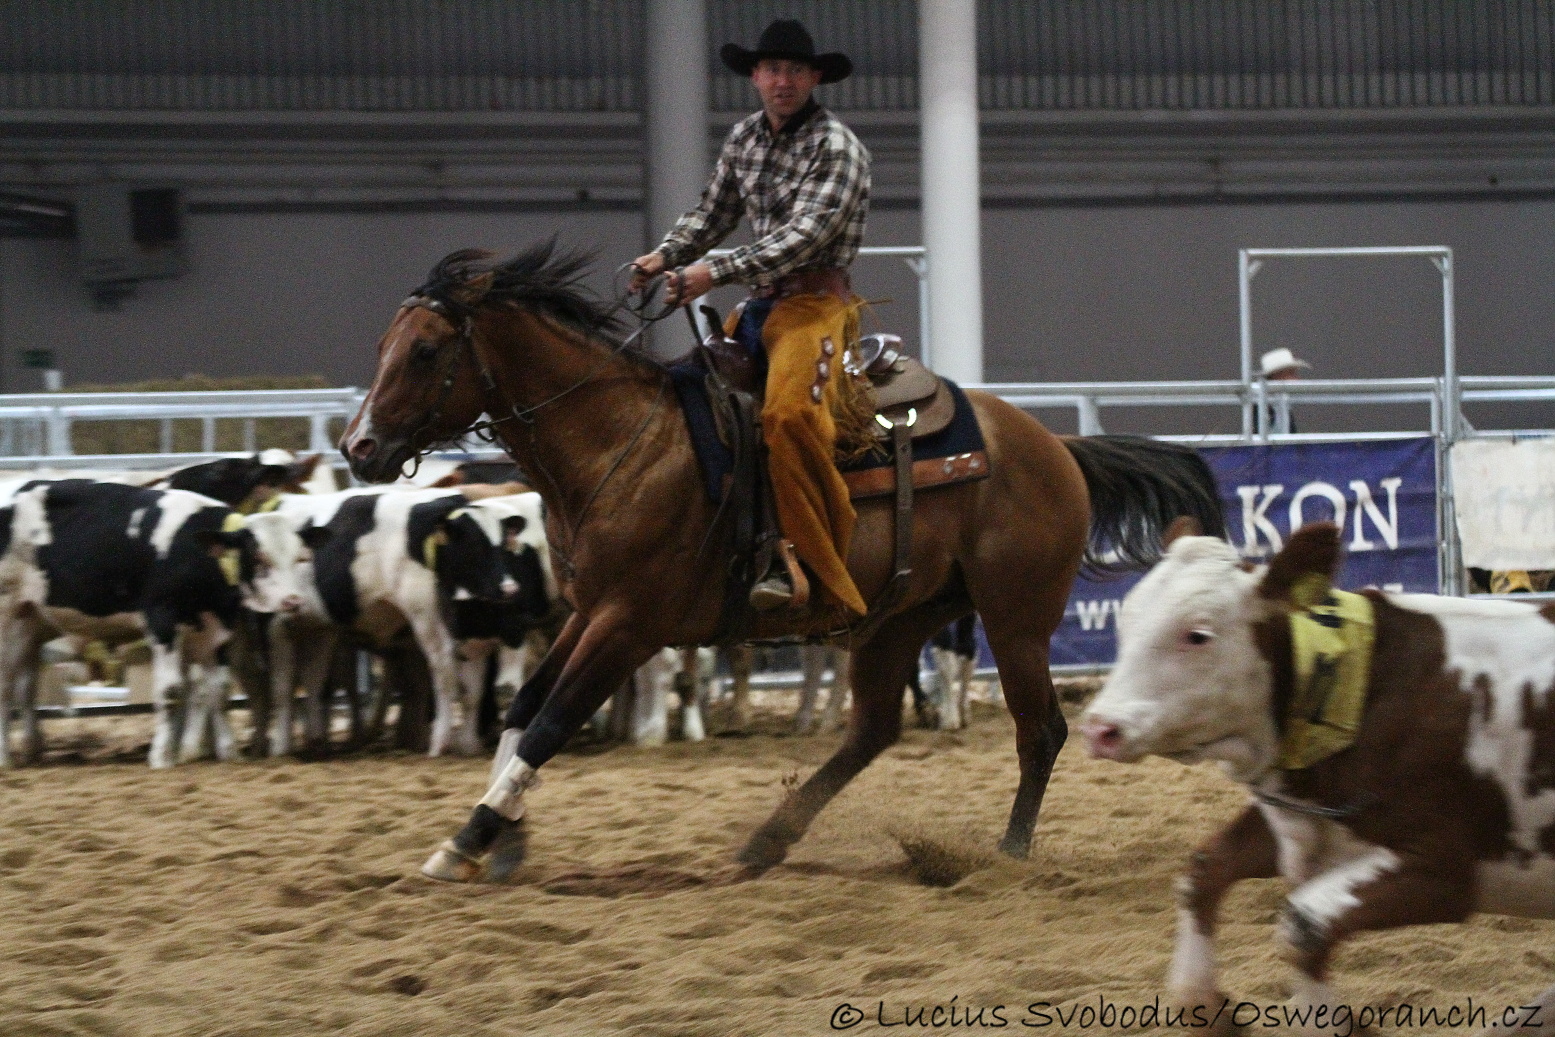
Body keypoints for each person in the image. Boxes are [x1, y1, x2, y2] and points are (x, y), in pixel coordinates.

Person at [630, 19, 872, 618]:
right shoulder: (743, 139)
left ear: (815, 78)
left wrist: (711, 272)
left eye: (794, 71)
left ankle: (818, 564)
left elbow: (803, 237)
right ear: (755, 77)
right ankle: (714, 542)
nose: (782, 80)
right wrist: (666, 254)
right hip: (762, 305)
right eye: (771, 70)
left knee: (789, 415)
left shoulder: (837, 148)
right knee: (687, 400)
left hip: (816, 305)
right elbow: (713, 211)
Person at [1259, 347, 1309, 433]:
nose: (1297, 379)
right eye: (1291, 374)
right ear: (1276, 376)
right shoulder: (1261, 406)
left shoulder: (1282, 404)